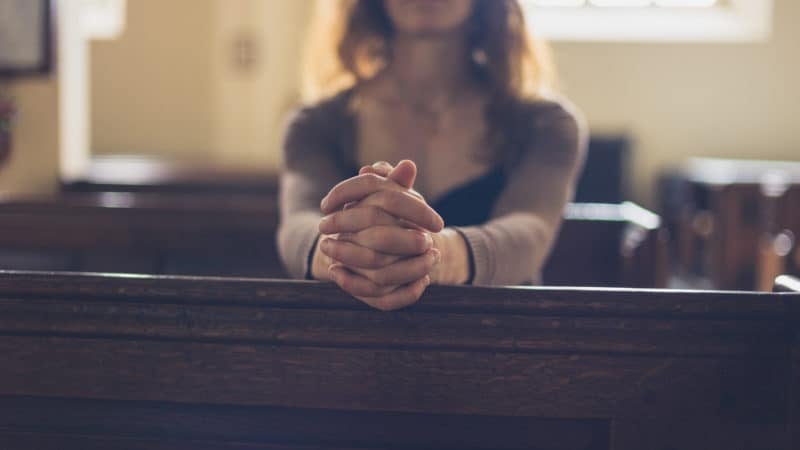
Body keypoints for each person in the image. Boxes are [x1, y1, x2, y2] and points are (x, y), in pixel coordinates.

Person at [278, 0, 587, 310]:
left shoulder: (545, 123)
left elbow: (530, 229)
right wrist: (348, 256)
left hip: (502, 339)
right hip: (351, 343)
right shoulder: (315, 123)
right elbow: (299, 226)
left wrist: (431, 256)